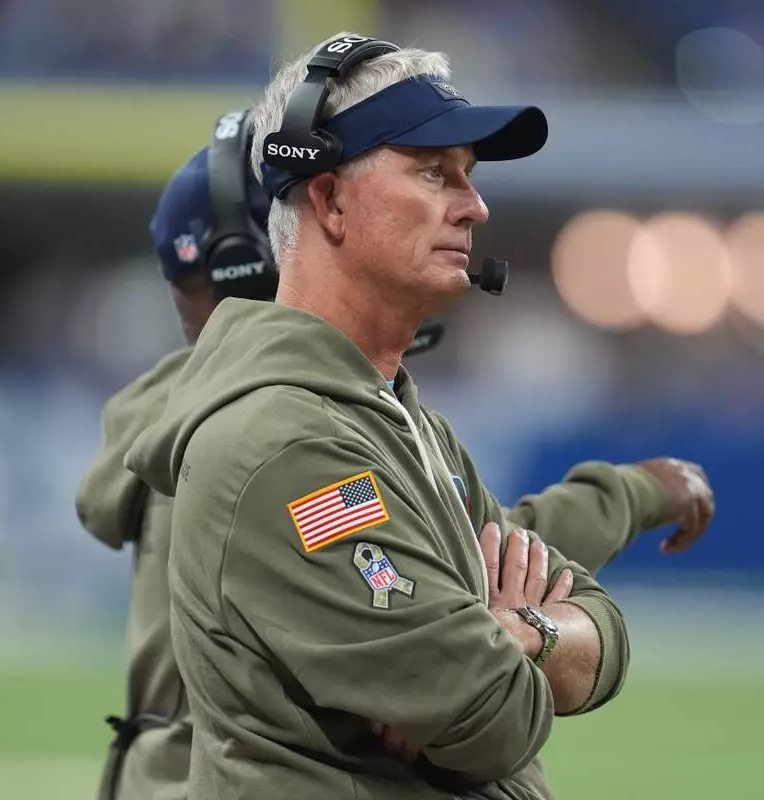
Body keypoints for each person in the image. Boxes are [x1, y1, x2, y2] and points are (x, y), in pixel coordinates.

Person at [81, 87, 714, 799]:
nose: (473, 208)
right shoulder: (273, 446)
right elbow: (479, 698)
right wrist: (510, 625)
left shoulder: (353, 411)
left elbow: (486, 558)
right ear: (307, 220)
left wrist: (519, 629)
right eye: (432, 173)